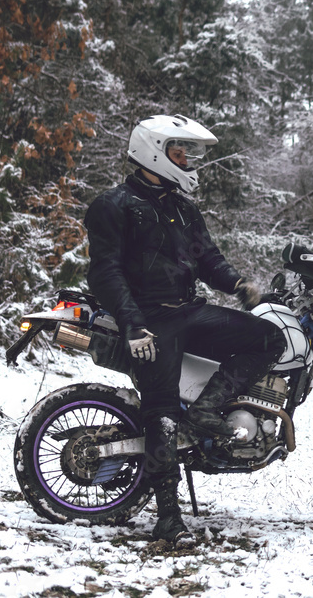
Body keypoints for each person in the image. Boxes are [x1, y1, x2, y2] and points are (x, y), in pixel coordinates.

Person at [83, 114, 285, 544]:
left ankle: (208, 409)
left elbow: (207, 258)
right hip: (150, 321)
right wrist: (133, 324)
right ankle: (168, 519)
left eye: (188, 153)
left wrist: (238, 285)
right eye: (180, 151)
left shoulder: (181, 207)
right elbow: (105, 273)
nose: (187, 160)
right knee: (162, 412)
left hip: (189, 311)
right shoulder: (113, 205)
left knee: (269, 338)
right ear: (153, 150)